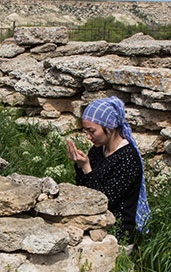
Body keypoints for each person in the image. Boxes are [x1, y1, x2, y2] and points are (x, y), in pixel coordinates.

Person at [64, 96, 149, 240]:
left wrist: (86, 167)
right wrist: (80, 166)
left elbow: (104, 200)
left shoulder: (127, 158)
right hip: (95, 219)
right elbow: (84, 189)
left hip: (118, 230)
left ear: (109, 128)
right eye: (86, 131)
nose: (88, 137)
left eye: (92, 131)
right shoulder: (98, 150)